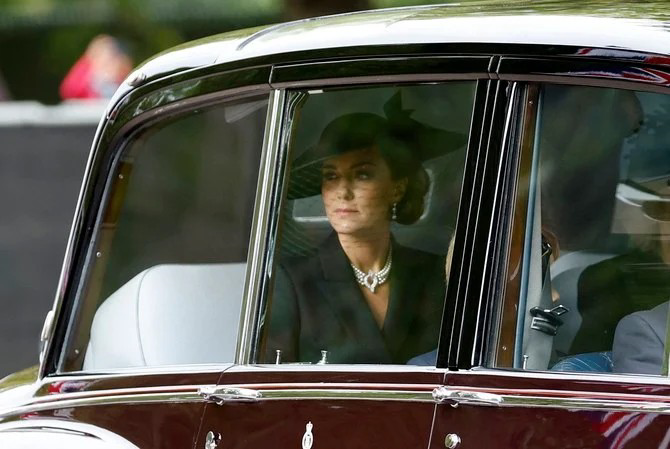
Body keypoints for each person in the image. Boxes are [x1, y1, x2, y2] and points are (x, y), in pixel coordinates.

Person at [263, 93, 464, 364]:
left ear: (397, 187)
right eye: (331, 177)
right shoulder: (292, 280)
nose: (342, 192)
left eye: (362, 174)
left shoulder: (432, 273)